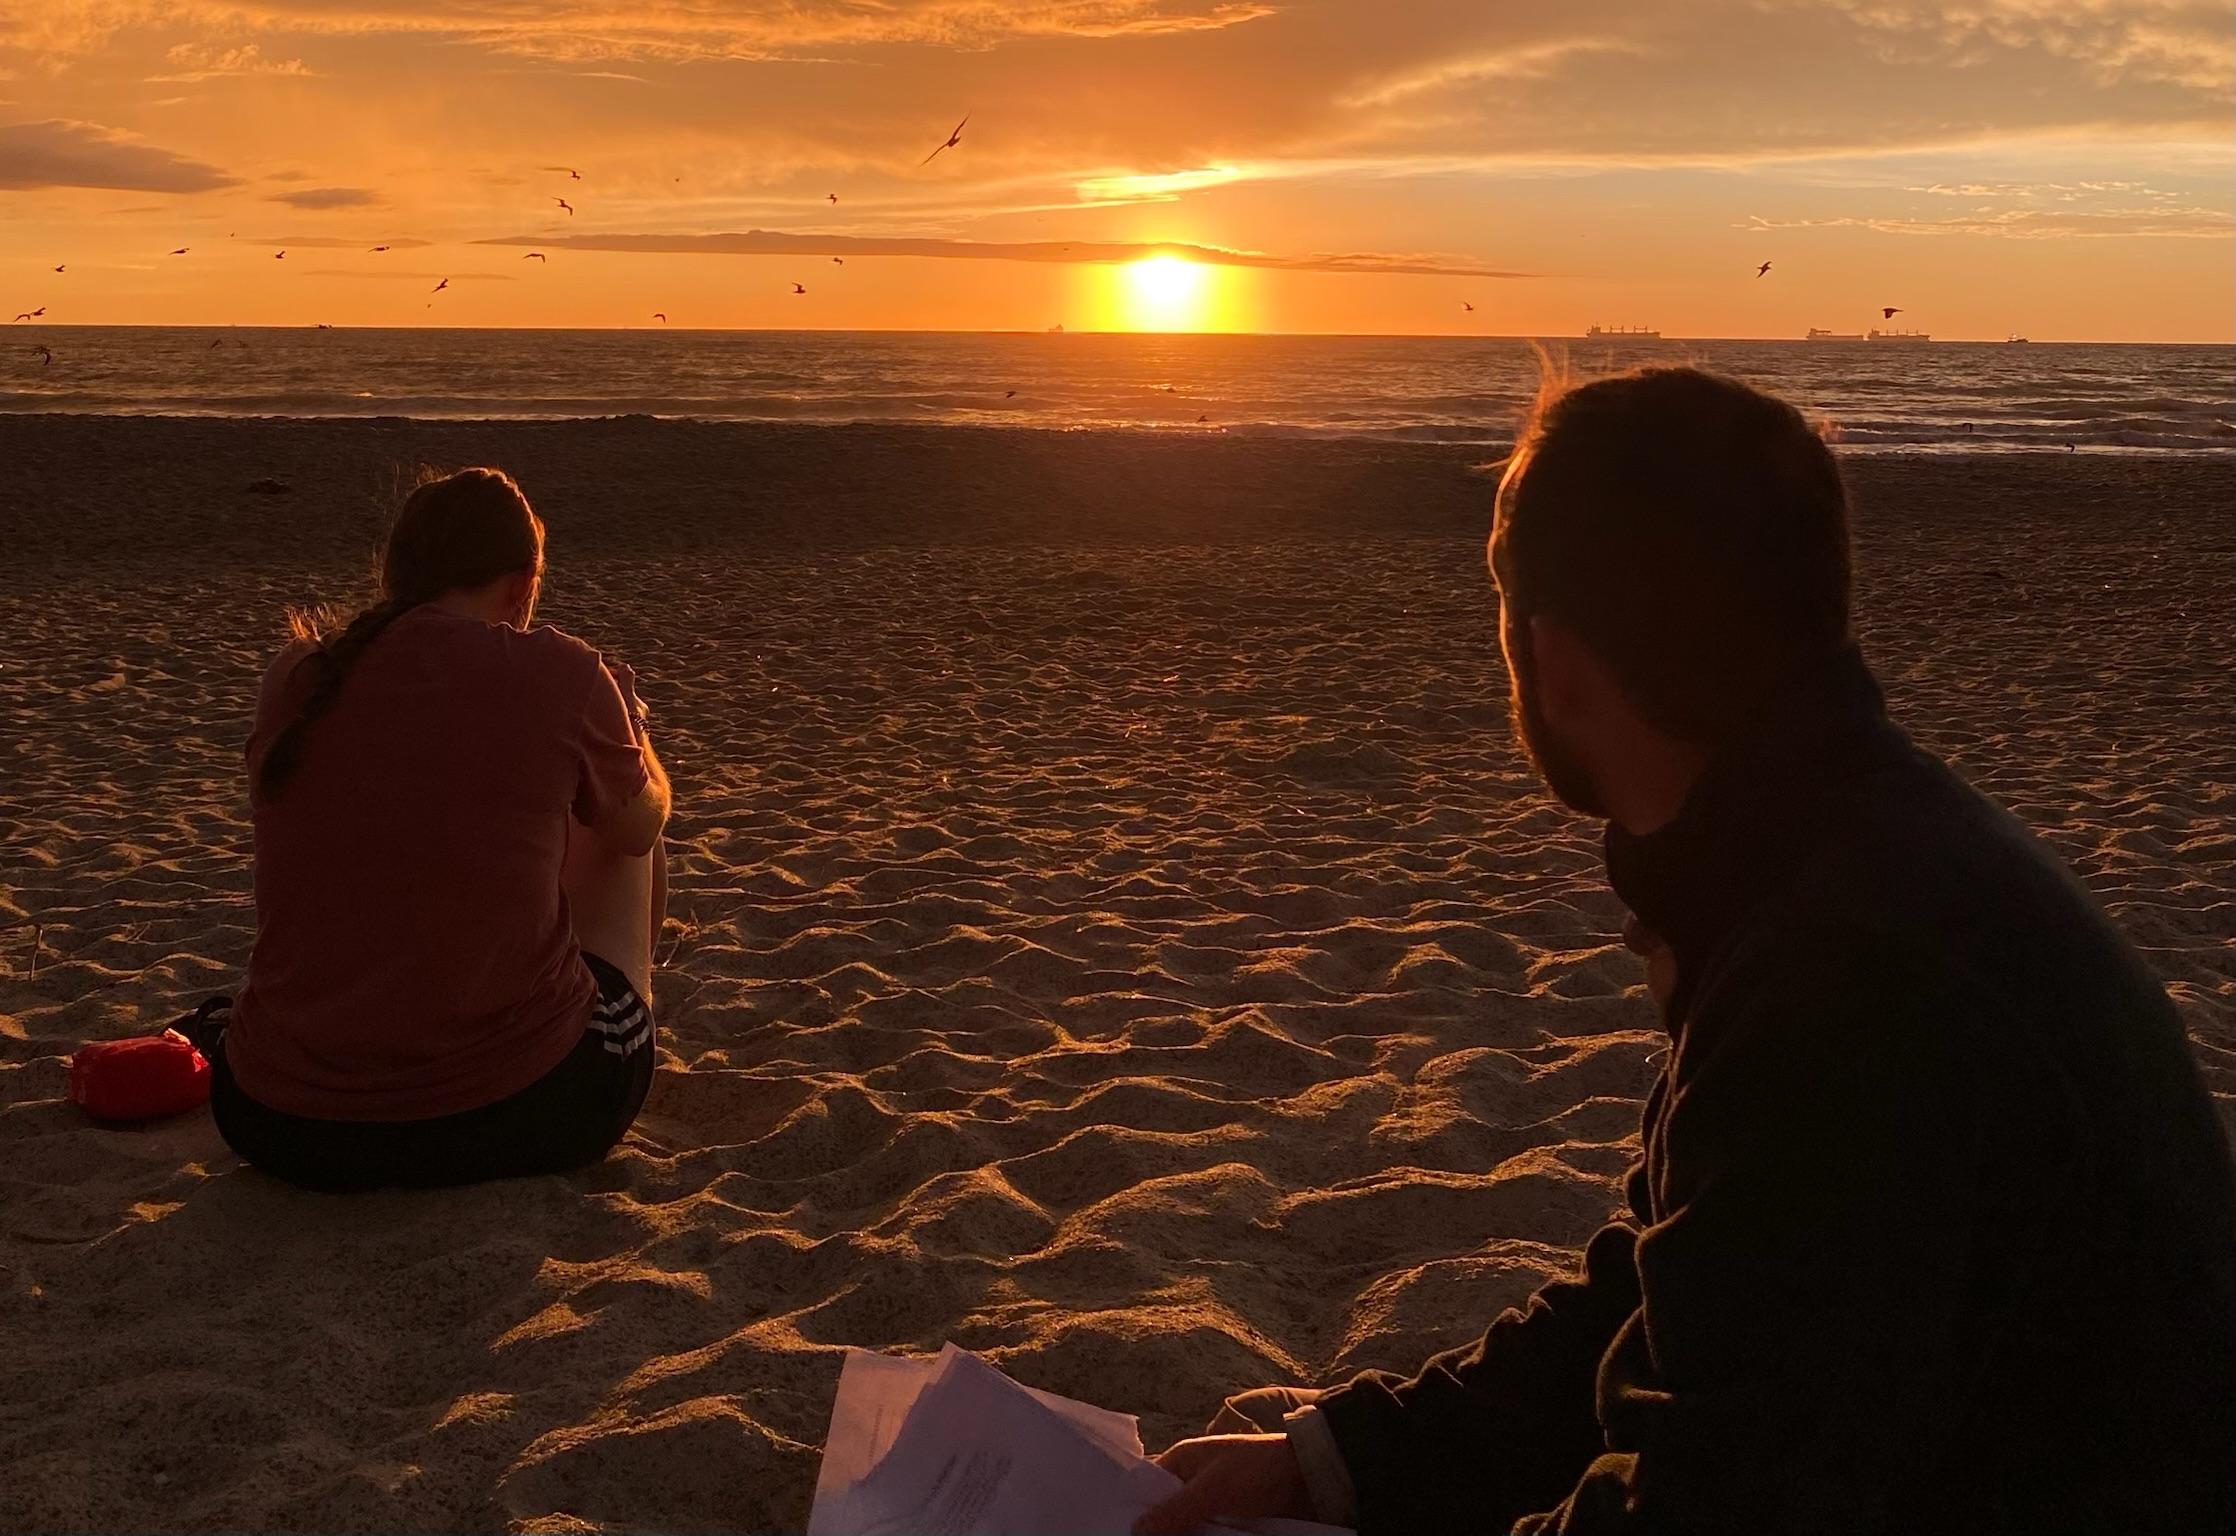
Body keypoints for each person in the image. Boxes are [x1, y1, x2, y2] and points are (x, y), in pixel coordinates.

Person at [1136, 368, 2236, 1535]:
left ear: (1550, 665)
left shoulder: (1847, 982)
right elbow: (1692, 1290)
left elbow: (1724, 1494)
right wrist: (1336, 1458)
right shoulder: (1854, 855)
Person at [203, 467, 672, 1192]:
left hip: (274, 1117)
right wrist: (634, 733)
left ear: (397, 575)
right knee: (623, 818)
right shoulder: (560, 670)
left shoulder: (299, 674)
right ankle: (582, 1004)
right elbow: (638, 828)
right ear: (524, 582)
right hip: (509, 1112)